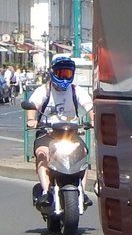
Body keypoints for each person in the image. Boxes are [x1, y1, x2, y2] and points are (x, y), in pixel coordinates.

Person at [25, 55, 94, 206]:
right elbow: (33, 105)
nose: (64, 77)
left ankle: (82, 192)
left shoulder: (76, 91)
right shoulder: (43, 90)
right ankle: (45, 192)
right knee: (42, 154)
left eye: (67, 74)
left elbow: (89, 106)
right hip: (47, 133)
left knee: (82, 157)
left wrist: (93, 118)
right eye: (60, 73)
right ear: (53, 73)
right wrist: (31, 119)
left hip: (71, 133)